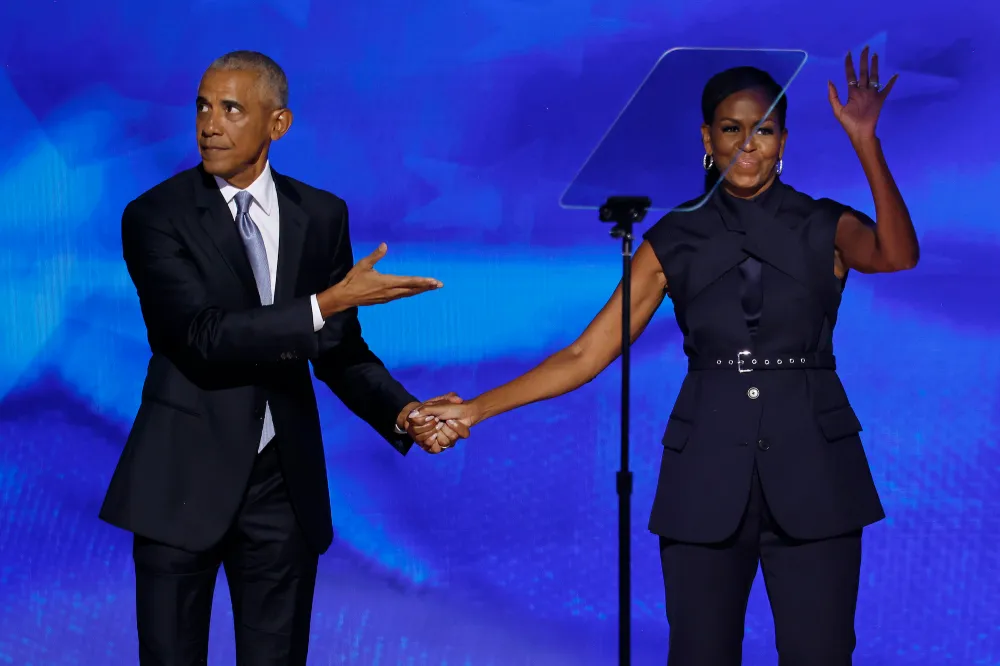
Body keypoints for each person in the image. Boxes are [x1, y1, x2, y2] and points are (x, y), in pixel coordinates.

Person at [414, 48, 917, 665]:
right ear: (708, 137)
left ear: (783, 140)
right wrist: (475, 411)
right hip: (705, 480)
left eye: (763, 130)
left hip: (816, 474)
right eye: (732, 128)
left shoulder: (823, 223)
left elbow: (895, 254)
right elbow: (584, 354)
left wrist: (865, 141)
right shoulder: (675, 238)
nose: (748, 145)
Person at [99, 51, 470, 666]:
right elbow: (201, 337)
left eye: (231, 109)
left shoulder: (321, 215)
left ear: (279, 125)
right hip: (180, 481)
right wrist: (325, 302)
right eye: (202, 106)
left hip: (282, 486)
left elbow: (337, 348)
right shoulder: (154, 216)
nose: (209, 124)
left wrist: (403, 413)